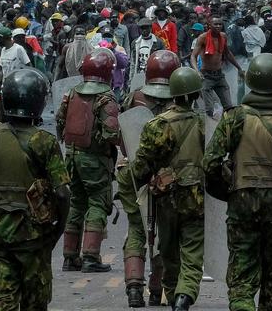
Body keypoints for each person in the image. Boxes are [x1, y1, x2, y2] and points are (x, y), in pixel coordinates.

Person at [203, 53, 272, 311]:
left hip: (242, 202)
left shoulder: (234, 117)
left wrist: (229, 190)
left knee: (241, 276)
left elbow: (210, 163)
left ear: (250, 80)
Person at [0, 67, 70, 311]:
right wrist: (57, 230)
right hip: (35, 239)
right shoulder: (44, 142)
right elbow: (62, 193)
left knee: (2, 305)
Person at [115, 66, 207, 311]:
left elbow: (142, 165)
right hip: (196, 197)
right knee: (192, 250)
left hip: (166, 198)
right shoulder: (204, 124)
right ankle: (184, 296)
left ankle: (172, 290)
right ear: (196, 95)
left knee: (167, 248)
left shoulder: (156, 125)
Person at [118, 49, 180, 307]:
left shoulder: (133, 97)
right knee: (165, 232)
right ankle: (158, 290)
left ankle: (134, 287)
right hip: (167, 177)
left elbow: (120, 136)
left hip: (131, 171)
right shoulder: (181, 99)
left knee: (136, 228)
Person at [56, 48, 122, 272]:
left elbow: (59, 122)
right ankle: (91, 257)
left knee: (76, 203)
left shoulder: (72, 92)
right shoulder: (106, 97)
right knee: (97, 203)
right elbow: (112, 133)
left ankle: (69, 257)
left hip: (71, 157)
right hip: (94, 160)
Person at [191, 17, 242, 118]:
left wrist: (239, 68)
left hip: (219, 75)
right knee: (209, 111)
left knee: (229, 107)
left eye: (220, 24)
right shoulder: (203, 37)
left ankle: (226, 128)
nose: (218, 26)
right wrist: (197, 71)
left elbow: (227, 53)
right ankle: (211, 130)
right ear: (210, 25)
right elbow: (193, 56)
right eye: (216, 24)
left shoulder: (223, 36)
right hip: (206, 76)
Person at [128, 18, 165, 91]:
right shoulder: (135, 43)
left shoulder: (158, 42)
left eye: (146, 28)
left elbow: (162, 62)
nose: (144, 30)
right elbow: (132, 63)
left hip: (153, 75)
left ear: (150, 28)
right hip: (138, 73)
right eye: (142, 28)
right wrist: (131, 80)